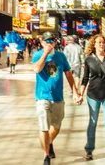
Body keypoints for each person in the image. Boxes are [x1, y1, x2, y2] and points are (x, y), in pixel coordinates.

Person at [33, 31, 79, 165]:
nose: (50, 43)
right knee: (44, 127)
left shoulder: (61, 56)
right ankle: (46, 155)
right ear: (42, 42)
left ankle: (49, 142)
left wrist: (75, 92)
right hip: (42, 97)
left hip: (58, 96)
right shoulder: (37, 55)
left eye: (52, 41)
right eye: (47, 41)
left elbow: (68, 74)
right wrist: (45, 54)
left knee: (56, 126)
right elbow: (36, 69)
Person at [78, 35, 105, 164]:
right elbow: (85, 78)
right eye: (99, 42)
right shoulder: (89, 59)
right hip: (93, 95)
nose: (102, 44)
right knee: (93, 123)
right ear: (94, 44)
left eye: (103, 42)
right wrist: (80, 94)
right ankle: (89, 148)